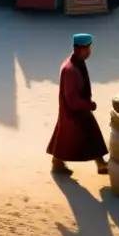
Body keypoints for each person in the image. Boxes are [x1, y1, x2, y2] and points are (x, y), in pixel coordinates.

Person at [47, 33, 109, 176]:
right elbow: (72, 98)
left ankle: (59, 162)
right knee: (76, 136)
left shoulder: (76, 63)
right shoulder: (71, 69)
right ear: (80, 49)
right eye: (88, 49)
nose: (89, 52)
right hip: (74, 112)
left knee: (72, 136)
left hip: (75, 110)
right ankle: (100, 164)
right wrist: (88, 105)